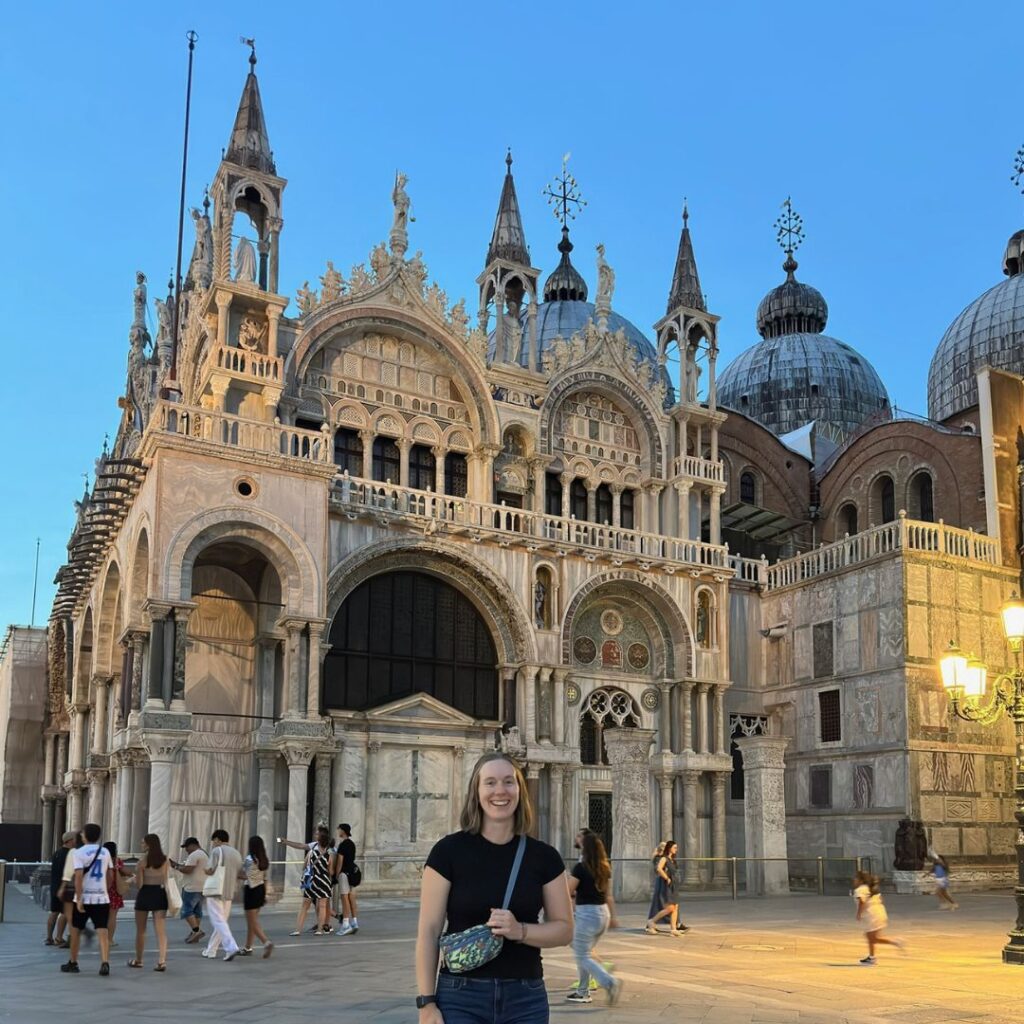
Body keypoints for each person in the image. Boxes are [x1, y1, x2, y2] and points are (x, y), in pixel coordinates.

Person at [416, 751, 573, 1024]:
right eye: (490, 782)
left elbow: (564, 930)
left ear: (520, 790)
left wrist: (520, 930)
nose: (500, 791)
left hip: (525, 997)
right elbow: (428, 932)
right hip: (460, 996)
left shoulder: (544, 857)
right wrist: (426, 1004)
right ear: (476, 792)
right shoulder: (448, 852)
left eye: (508, 782)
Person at [566, 832, 622, 1006]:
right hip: (603, 914)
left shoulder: (581, 867)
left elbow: (568, 891)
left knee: (582, 954)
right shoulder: (605, 867)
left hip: (587, 914)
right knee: (585, 953)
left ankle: (609, 982)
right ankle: (583, 992)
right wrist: (613, 917)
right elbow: (609, 896)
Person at [61, 822, 113, 976]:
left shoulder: (79, 853)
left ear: (85, 835)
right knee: (102, 930)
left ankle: (73, 961)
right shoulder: (105, 852)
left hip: (84, 897)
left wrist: (79, 897)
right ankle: (105, 962)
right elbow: (110, 875)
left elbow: (78, 877)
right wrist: (106, 889)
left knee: (76, 929)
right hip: (101, 897)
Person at [128, 833, 170, 971]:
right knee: (161, 930)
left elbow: (140, 884)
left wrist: (135, 877)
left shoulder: (142, 862)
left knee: (141, 930)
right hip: (159, 893)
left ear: (148, 844)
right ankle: (162, 961)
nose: (141, 845)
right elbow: (165, 879)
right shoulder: (165, 860)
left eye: (143, 842)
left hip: (145, 894)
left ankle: (139, 960)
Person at [280, 827, 334, 935]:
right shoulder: (330, 850)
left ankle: (297, 930)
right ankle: (320, 930)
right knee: (322, 905)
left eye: (317, 834)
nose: (315, 835)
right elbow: (331, 870)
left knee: (305, 905)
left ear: (321, 836)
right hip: (323, 880)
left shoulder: (313, 847)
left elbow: (302, 854)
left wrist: (285, 842)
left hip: (311, 879)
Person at [202, 828, 242, 961]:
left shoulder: (216, 851)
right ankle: (211, 950)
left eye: (214, 840)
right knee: (221, 921)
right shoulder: (236, 853)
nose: (213, 843)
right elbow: (241, 873)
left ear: (218, 839)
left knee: (218, 921)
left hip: (216, 890)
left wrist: (204, 870)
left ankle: (231, 947)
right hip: (229, 890)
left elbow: (210, 870)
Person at [853, 869, 904, 964]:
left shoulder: (860, 889)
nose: (854, 880)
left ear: (860, 880)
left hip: (872, 915)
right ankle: (872, 957)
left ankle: (895, 942)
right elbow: (880, 899)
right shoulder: (871, 888)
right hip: (879, 912)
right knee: (871, 937)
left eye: (856, 878)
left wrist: (859, 913)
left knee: (872, 937)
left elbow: (861, 902)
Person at [239, 835, 274, 958]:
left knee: (252, 922)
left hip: (251, 890)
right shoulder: (263, 859)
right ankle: (248, 947)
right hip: (260, 889)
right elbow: (264, 878)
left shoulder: (249, 859)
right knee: (252, 921)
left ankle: (266, 942)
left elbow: (243, 875)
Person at [169, 837, 207, 943]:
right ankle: (194, 933)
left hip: (192, 887)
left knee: (186, 910)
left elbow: (188, 870)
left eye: (186, 847)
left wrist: (176, 867)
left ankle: (196, 930)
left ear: (193, 845)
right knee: (197, 912)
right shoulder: (203, 853)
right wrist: (176, 865)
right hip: (202, 887)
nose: (186, 850)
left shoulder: (194, 855)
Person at [645, 839, 686, 936]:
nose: (676, 849)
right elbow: (658, 868)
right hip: (667, 886)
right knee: (670, 908)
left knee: (675, 907)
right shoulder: (664, 858)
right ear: (669, 848)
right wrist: (666, 878)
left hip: (674, 886)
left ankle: (673, 929)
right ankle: (652, 921)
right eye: (674, 847)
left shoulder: (672, 859)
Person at [46, 832, 76, 947]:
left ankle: (49, 937)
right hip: (65, 887)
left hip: (54, 886)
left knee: (54, 912)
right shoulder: (70, 854)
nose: (76, 841)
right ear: (69, 840)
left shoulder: (57, 853)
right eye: (74, 839)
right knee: (65, 912)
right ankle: (59, 937)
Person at [103, 841, 132, 946]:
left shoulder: (100, 860)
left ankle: (103, 938)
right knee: (112, 916)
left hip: (102, 890)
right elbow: (127, 872)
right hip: (114, 890)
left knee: (103, 916)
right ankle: (109, 940)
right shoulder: (116, 861)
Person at [335, 822, 360, 936]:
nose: (338, 831)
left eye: (339, 829)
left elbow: (340, 861)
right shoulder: (352, 844)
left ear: (343, 831)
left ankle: (346, 924)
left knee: (344, 898)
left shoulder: (343, 845)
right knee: (352, 898)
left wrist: (336, 874)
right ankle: (354, 922)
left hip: (344, 874)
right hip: (352, 873)